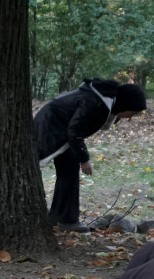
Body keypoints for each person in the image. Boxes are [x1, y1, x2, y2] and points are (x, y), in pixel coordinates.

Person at [33, 79, 146, 231]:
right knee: (68, 172)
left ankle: (59, 217)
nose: (130, 117)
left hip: (60, 128)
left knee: (68, 174)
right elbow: (75, 131)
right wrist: (84, 159)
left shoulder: (99, 101)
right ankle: (66, 220)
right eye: (132, 112)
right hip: (51, 127)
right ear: (125, 104)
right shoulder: (94, 103)